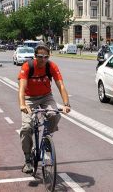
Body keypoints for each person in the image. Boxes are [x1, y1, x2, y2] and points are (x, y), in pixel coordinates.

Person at [18, 43, 71, 174]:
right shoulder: (28, 66)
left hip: (46, 96)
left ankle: (47, 138)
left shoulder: (51, 66)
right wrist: (23, 104)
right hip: (29, 98)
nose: (43, 59)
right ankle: (28, 159)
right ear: (35, 56)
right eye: (40, 56)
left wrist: (66, 104)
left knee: (54, 115)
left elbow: (61, 86)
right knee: (26, 128)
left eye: (46, 57)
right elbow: (22, 88)